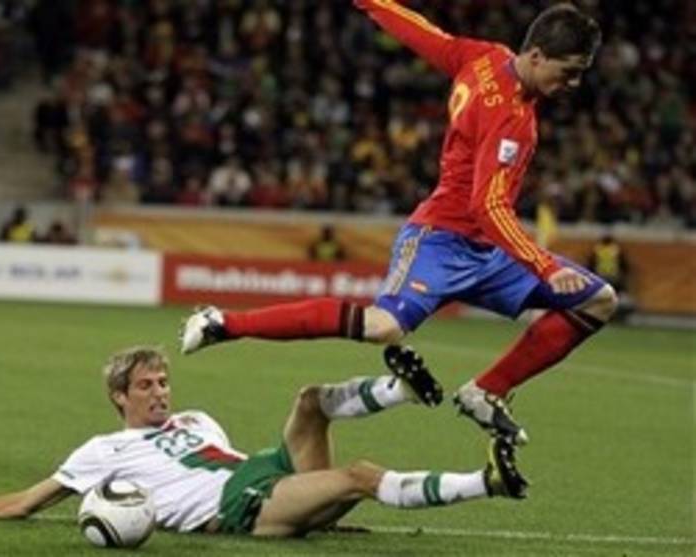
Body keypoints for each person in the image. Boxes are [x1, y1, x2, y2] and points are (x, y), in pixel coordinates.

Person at [181, 2, 618, 446]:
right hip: (440, 241)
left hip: (489, 250)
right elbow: (487, 205)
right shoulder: (510, 120)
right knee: (383, 327)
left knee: (597, 300)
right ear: (537, 56)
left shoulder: (486, 58)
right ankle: (223, 323)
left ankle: (486, 392)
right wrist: (545, 266)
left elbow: (425, 35)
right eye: (569, 72)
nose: (573, 84)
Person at [0, 345, 527, 537]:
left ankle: (400, 389)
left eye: (163, 381)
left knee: (309, 400)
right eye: (146, 385)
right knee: (359, 474)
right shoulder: (101, 450)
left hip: (264, 477)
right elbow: (24, 502)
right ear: (120, 397)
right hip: (241, 506)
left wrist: (302, 494)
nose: (160, 392)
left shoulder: (196, 418)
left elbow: (241, 461)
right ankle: (487, 482)